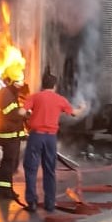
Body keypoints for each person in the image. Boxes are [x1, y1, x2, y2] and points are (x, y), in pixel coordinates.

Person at [22, 73, 87, 212]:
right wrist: (82, 108)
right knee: (50, 170)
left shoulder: (34, 97)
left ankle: (32, 203)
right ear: (54, 86)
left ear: (42, 84)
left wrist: (23, 113)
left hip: (36, 136)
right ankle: (50, 204)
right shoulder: (60, 99)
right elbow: (74, 113)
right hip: (50, 138)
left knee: (31, 168)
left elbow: (22, 112)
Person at [0, 64, 28, 201]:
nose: (21, 84)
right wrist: (25, 113)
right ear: (10, 80)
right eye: (18, 81)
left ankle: (4, 189)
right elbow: (11, 113)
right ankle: (5, 191)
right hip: (8, 135)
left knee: (9, 164)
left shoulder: (10, 93)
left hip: (12, 134)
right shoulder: (5, 93)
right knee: (9, 164)